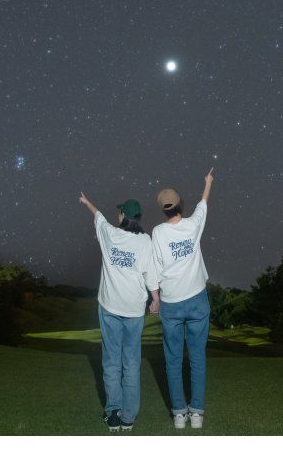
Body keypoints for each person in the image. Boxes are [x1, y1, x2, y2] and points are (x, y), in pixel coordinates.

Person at [79, 192, 160, 432]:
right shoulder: (146, 241)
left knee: (112, 362)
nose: (118, 214)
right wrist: (156, 298)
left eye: (120, 211)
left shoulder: (111, 234)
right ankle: (128, 418)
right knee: (131, 363)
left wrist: (86, 202)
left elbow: (99, 216)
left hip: (110, 307)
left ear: (124, 215)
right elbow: (151, 273)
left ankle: (112, 413)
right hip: (134, 310)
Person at [151, 168, 214, 429]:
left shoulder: (157, 232)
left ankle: (179, 413)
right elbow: (203, 203)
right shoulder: (192, 224)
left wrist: (155, 298)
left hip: (172, 303)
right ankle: (196, 412)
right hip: (197, 300)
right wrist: (208, 182)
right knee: (197, 356)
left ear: (163, 210)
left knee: (173, 359)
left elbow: (154, 267)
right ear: (179, 205)